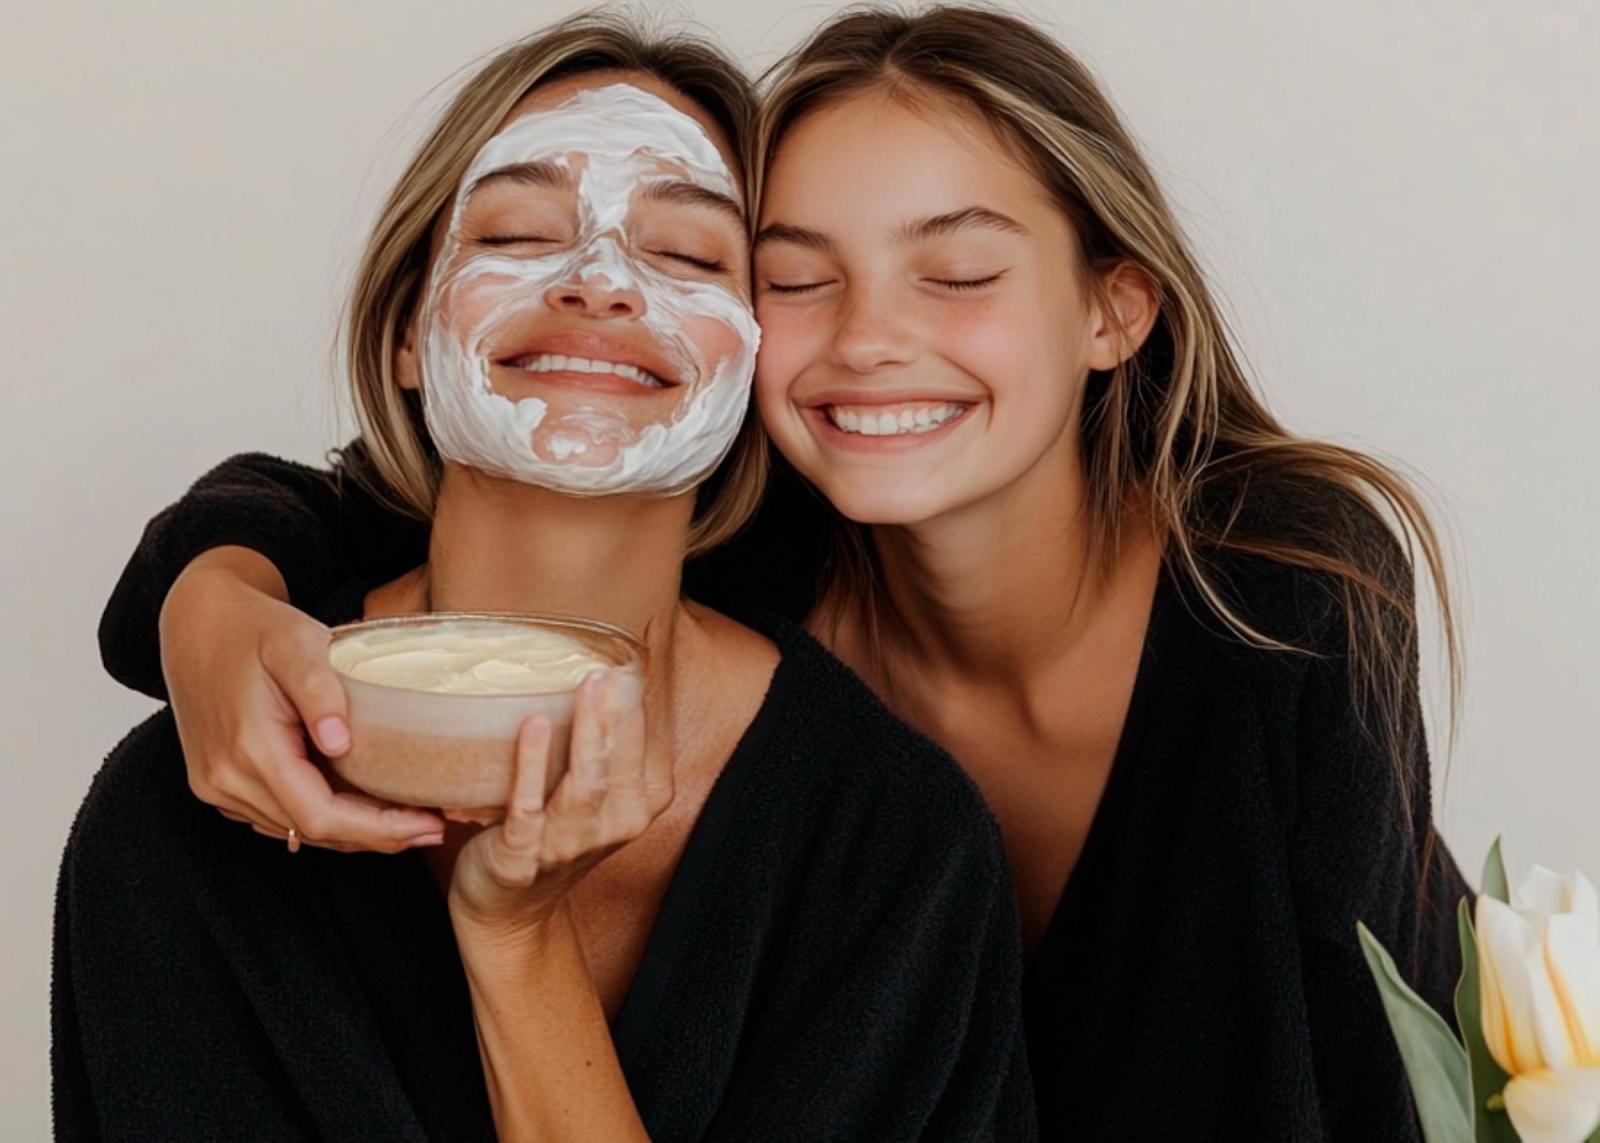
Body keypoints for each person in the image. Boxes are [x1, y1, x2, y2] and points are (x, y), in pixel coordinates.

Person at [90, 6, 1470, 1140]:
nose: (869, 340)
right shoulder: (773, 541)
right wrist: (206, 598)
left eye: (958, 273)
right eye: (802, 277)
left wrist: (513, 939)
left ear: (1114, 303)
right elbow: (379, 493)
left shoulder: (1276, 600)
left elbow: (1378, 1078)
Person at [53, 15, 1036, 1142]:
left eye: (687, 255)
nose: (602, 283)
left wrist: (517, 946)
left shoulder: (893, 847)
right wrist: (209, 585)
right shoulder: (179, 825)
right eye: (521, 234)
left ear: (756, 358)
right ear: (405, 335)